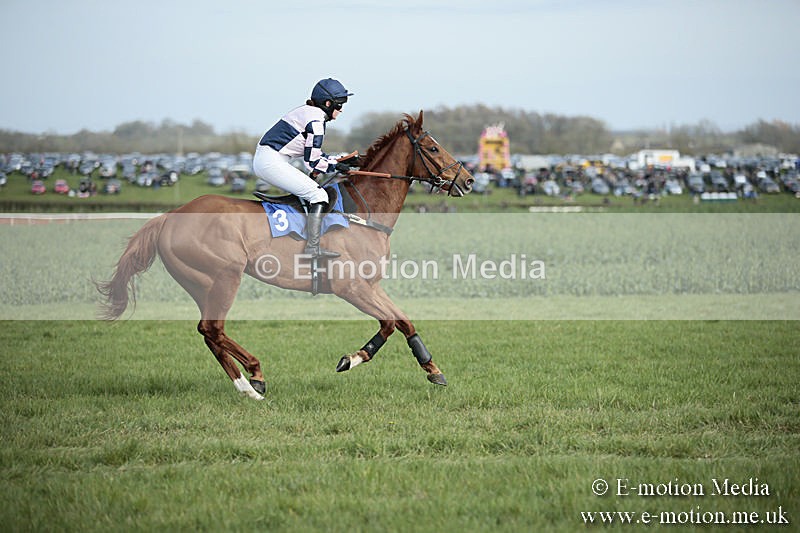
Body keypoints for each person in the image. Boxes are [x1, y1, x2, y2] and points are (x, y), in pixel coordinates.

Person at [253, 78, 359, 259]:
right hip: (271, 161)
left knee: (312, 193)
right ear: (328, 103)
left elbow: (314, 155)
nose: (341, 110)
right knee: (319, 195)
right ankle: (312, 247)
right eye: (340, 104)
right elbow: (312, 162)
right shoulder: (316, 122)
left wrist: (340, 161)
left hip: (270, 159)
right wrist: (335, 166)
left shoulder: (310, 114)